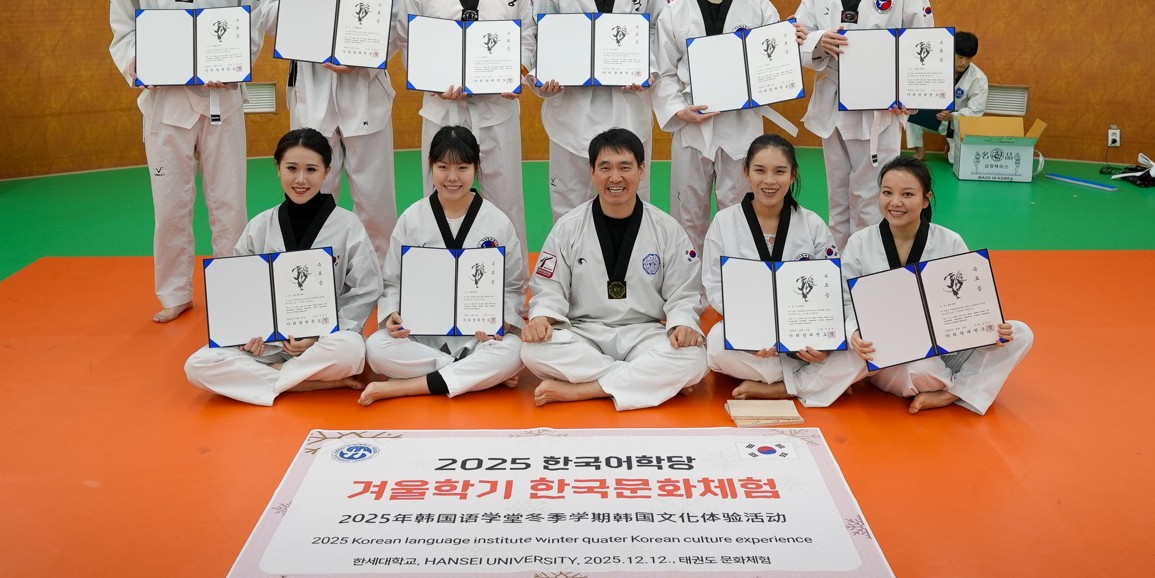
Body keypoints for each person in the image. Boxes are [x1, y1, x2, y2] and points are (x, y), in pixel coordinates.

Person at [108, 0, 263, 324]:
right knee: (171, 203)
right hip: (165, 103)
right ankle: (175, 292)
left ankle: (233, 290)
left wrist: (233, 65)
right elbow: (122, 29)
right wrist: (142, 69)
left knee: (230, 201)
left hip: (222, 101)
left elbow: (252, 26)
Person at [257, 0, 408, 264]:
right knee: (315, 191)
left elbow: (400, 21)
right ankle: (316, 275)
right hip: (312, 88)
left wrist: (361, 59)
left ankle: (382, 281)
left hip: (365, 90)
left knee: (375, 196)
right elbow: (267, 15)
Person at [183, 128, 382, 406]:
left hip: (322, 343)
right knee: (198, 365)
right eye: (292, 168)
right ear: (278, 168)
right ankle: (301, 383)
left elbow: (366, 289)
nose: (300, 179)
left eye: (311, 169)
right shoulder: (260, 225)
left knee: (351, 350)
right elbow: (239, 288)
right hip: (268, 344)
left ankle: (271, 379)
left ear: (327, 172)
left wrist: (319, 336)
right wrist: (246, 333)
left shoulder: (347, 225)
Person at [521, 128, 708, 409]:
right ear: (592, 172)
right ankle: (649, 380)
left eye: (625, 167)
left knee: (695, 358)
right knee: (532, 351)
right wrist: (541, 319)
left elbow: (683, 294)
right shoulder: (568, 227)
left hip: (644, 331)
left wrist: (682, 324)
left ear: (642, 170)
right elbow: (549, 288)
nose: (615, 177)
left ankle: (585, 389)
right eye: (605, 168)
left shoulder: (666, 229)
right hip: (584, 332)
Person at [793, 0, 932, 252]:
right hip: (832, 101)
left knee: (872, 198)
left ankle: (872, 274)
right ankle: (841, 274)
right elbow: (798, 34)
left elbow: (922, 39)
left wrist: (910, 95)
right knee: (837, 200)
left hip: (879, 107)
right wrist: (818, 42)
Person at [842, 156, 1033, 414]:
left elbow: (970, 302)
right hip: (892, 354)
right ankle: (961, 386)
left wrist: (990, 330)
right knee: (919, 370)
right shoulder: (860, 243)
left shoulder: (949, 241)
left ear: (925, 199)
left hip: (947, 342)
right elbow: (845, 301)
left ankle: (951, 392)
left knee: (1021, 334)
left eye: (907, 194)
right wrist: (854, 333)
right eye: (887, 193)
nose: (895, 202)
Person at [527, 0, 670, 220]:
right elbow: (538, 30)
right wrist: (540, 76)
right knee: (569, 206)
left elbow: (662, 28)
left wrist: (649, 70)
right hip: (572, 107)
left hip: (628, 101)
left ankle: (633, 271)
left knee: (631, 201)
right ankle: (570, 272)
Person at [404, 0, 532, 257]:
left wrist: (516, 71)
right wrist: (431, 79)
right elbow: (410, 39)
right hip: (443, 107)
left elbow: (528, 33)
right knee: (443, 193)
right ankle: (437, 275)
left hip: (496, 107)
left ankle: (512, 291)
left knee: (505, 198)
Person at [360, 125, 526, 405]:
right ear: (430, 166)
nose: (452, 177)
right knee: (376, 348)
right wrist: (392, 316)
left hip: (478, 338)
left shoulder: (497, 222)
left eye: (462, 167)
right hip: (422, 338)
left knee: (517, 349)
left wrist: (503, 322)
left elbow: (513, 286)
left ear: (476, 168)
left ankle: (405, 386)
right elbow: (392, 283)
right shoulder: (412, 219)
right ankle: (472, 374)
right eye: (443, 167)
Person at [703, 135, 864, 406]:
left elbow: (831, 288)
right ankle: (810, 381)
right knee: (716, 344)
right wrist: (758, 330)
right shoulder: (724, 222)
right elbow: (714, 286)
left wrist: (822, 343)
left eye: (780, 171)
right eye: (760, 170)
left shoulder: (812, 224)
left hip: (803, 331)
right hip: (753, 330)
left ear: (793, 175)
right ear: (746, 173)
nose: (769, 181)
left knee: (864, 348)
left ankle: (785, 385)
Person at [654, 0, 780, 257]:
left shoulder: (760, 9)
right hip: (692, 127)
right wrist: (678, 109)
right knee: (687, 215)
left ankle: (736, 286)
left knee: (739, 213)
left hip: (742, 126)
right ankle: (687, 295)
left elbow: (773, 68)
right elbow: (663, 73)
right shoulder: (674, 13)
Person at [904, 31, 988, 163]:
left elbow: (976, 111)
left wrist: (953, 116)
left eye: (969, 58)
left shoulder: (978, 78)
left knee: (955, 161)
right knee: (910, 114)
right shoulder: (936, 67)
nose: (964, 62)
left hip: (959, 123)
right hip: (937, 117)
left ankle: (949, 147)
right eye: (960, 57)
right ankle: (920, 152)